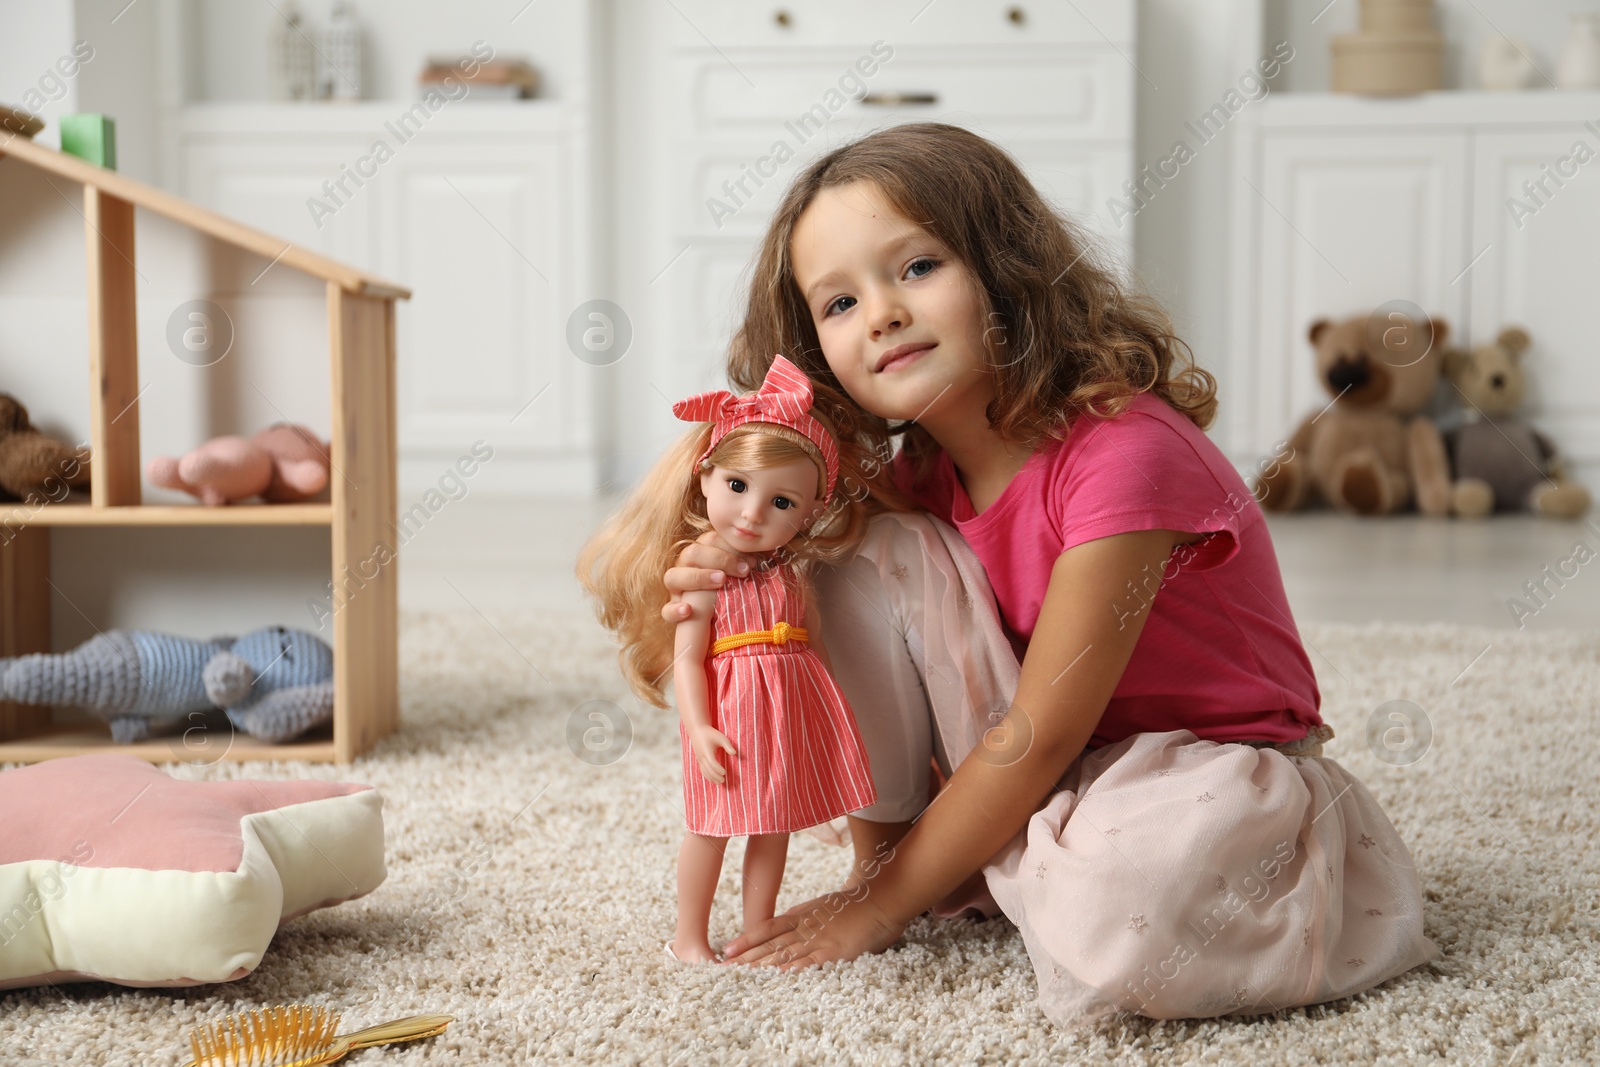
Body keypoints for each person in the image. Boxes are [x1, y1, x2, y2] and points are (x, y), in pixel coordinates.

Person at [658, 122, 1438, 1024]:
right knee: (840, 557)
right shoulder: (913, 480)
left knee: (1123, 919)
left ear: (1005, 268)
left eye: (916, 268)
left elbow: (1041, 729)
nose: (880, 313)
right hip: (1057, 771)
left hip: (1211, 779)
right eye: (838, 304)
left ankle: (986, 866)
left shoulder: (1123, 452)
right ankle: (928, 855)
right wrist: (729, 564)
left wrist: (879, 911)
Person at [579, 357, 881, 964]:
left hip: (784, 715)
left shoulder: (795, 572)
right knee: (712, 827)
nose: (751, 513)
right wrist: (697, 725)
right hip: (727, 713)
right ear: (706, 479)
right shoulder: (705, 570)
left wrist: (824, 723)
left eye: (782, 502)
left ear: (809, 512)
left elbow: (813, 649)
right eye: (738, 488)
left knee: (773, 827)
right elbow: (690, 660)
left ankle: (757, 928)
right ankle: (688, 935)